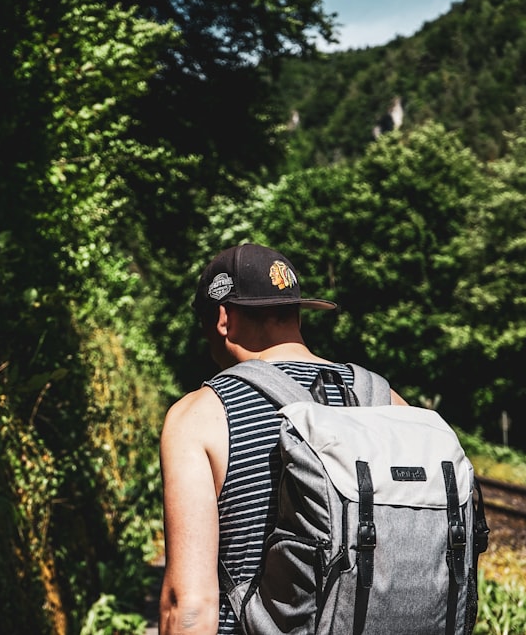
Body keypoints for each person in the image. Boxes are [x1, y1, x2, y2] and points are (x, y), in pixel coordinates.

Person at [158, 243, 408, 634]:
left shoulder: (200, 417)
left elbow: (189, 605)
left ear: (222, 318)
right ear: (296, 315)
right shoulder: (387, 401)